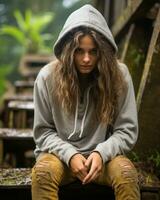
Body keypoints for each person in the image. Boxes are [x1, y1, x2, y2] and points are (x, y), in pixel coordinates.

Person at [32, 4, 140, 200]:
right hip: (59, 158)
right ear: (68, 50)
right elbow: (43, 132)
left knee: (126, 174)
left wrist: (101, 153)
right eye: (79, 51)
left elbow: (126, 130)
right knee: (42, 174)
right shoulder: (47, 77)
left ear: (103, 52)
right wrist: (70, 155)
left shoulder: (119, 76)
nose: (86, 59)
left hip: (104, 159)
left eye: (94, 52)